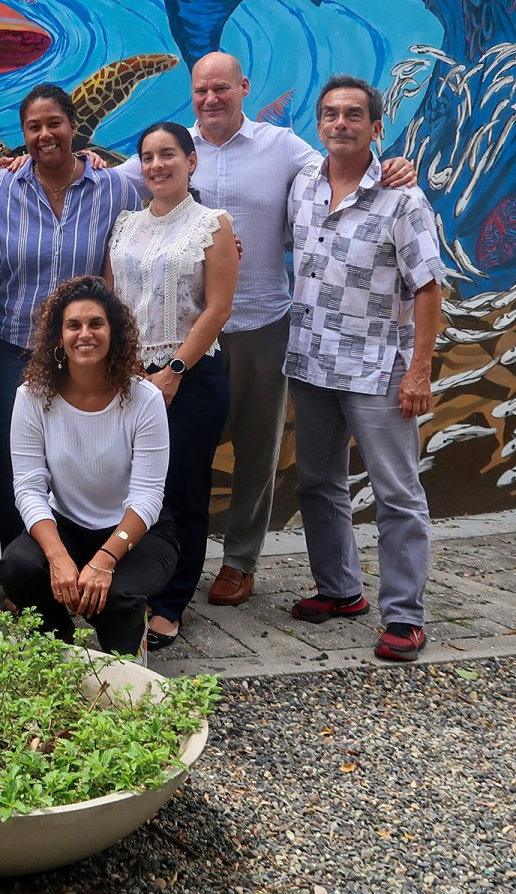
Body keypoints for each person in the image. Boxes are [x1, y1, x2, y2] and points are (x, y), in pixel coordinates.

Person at [166, 53, 415, 609]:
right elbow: (116, 178)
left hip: (262, 321)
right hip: (187, 331)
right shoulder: (173, 148)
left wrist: (396, 167)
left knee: (257, 448)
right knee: (183, 449)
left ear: (243, 88)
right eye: (202, 89)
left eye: (222, 88)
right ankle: (174, 556)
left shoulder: (282, 148)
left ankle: (239, 562)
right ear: (192, 92)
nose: (211, 99)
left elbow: (346, 166)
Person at [283, 75, 446, 664]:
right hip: (310, 360)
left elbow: (429, 287)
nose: (340, 123)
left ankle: (404, 616)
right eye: (329, 114)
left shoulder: (404, 199)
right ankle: (340, 589)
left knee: (396, 493)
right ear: (319, 124)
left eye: (354, 115)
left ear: (377, 128)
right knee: (318, 484)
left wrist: (419, 370)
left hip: (380, 369)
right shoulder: (302, 183)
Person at [0, 83, 144, 548]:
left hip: (86, 354)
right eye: (34, 127)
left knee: (83, 454)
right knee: (20, 461)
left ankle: (85, 556)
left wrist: (219, 236)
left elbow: (158, 229)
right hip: (14, 347)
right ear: (23, 134)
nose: (45, 134)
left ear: (75, 127)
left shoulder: (114, 187)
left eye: (55, 123)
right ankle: (23, 568)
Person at [106, 122, 236, 651]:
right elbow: (113, 301)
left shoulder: (212, 224)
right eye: (147, 156)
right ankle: (134, 584)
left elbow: (218, 307)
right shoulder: (126, 224)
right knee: (133, 489)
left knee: (182, 491)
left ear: (191, 161)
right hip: (130, 379)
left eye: (168, 155)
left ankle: (171, 602)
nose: (157, 165)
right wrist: (126, 371)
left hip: (191, 378)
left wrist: (173, 372)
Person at [0, 277, 176, 657]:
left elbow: (147, 497)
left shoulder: (145, 399)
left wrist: (105, 560)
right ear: (58, 336)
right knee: (18, 566)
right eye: (73, 325)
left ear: (114, 332)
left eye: (96, 323)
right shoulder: (31, 398)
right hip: (68, 526)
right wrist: (59, 557)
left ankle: (127, 666)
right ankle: (58, 651)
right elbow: (28, 488)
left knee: (117, 594)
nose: (85, 334)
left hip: (135, 533)